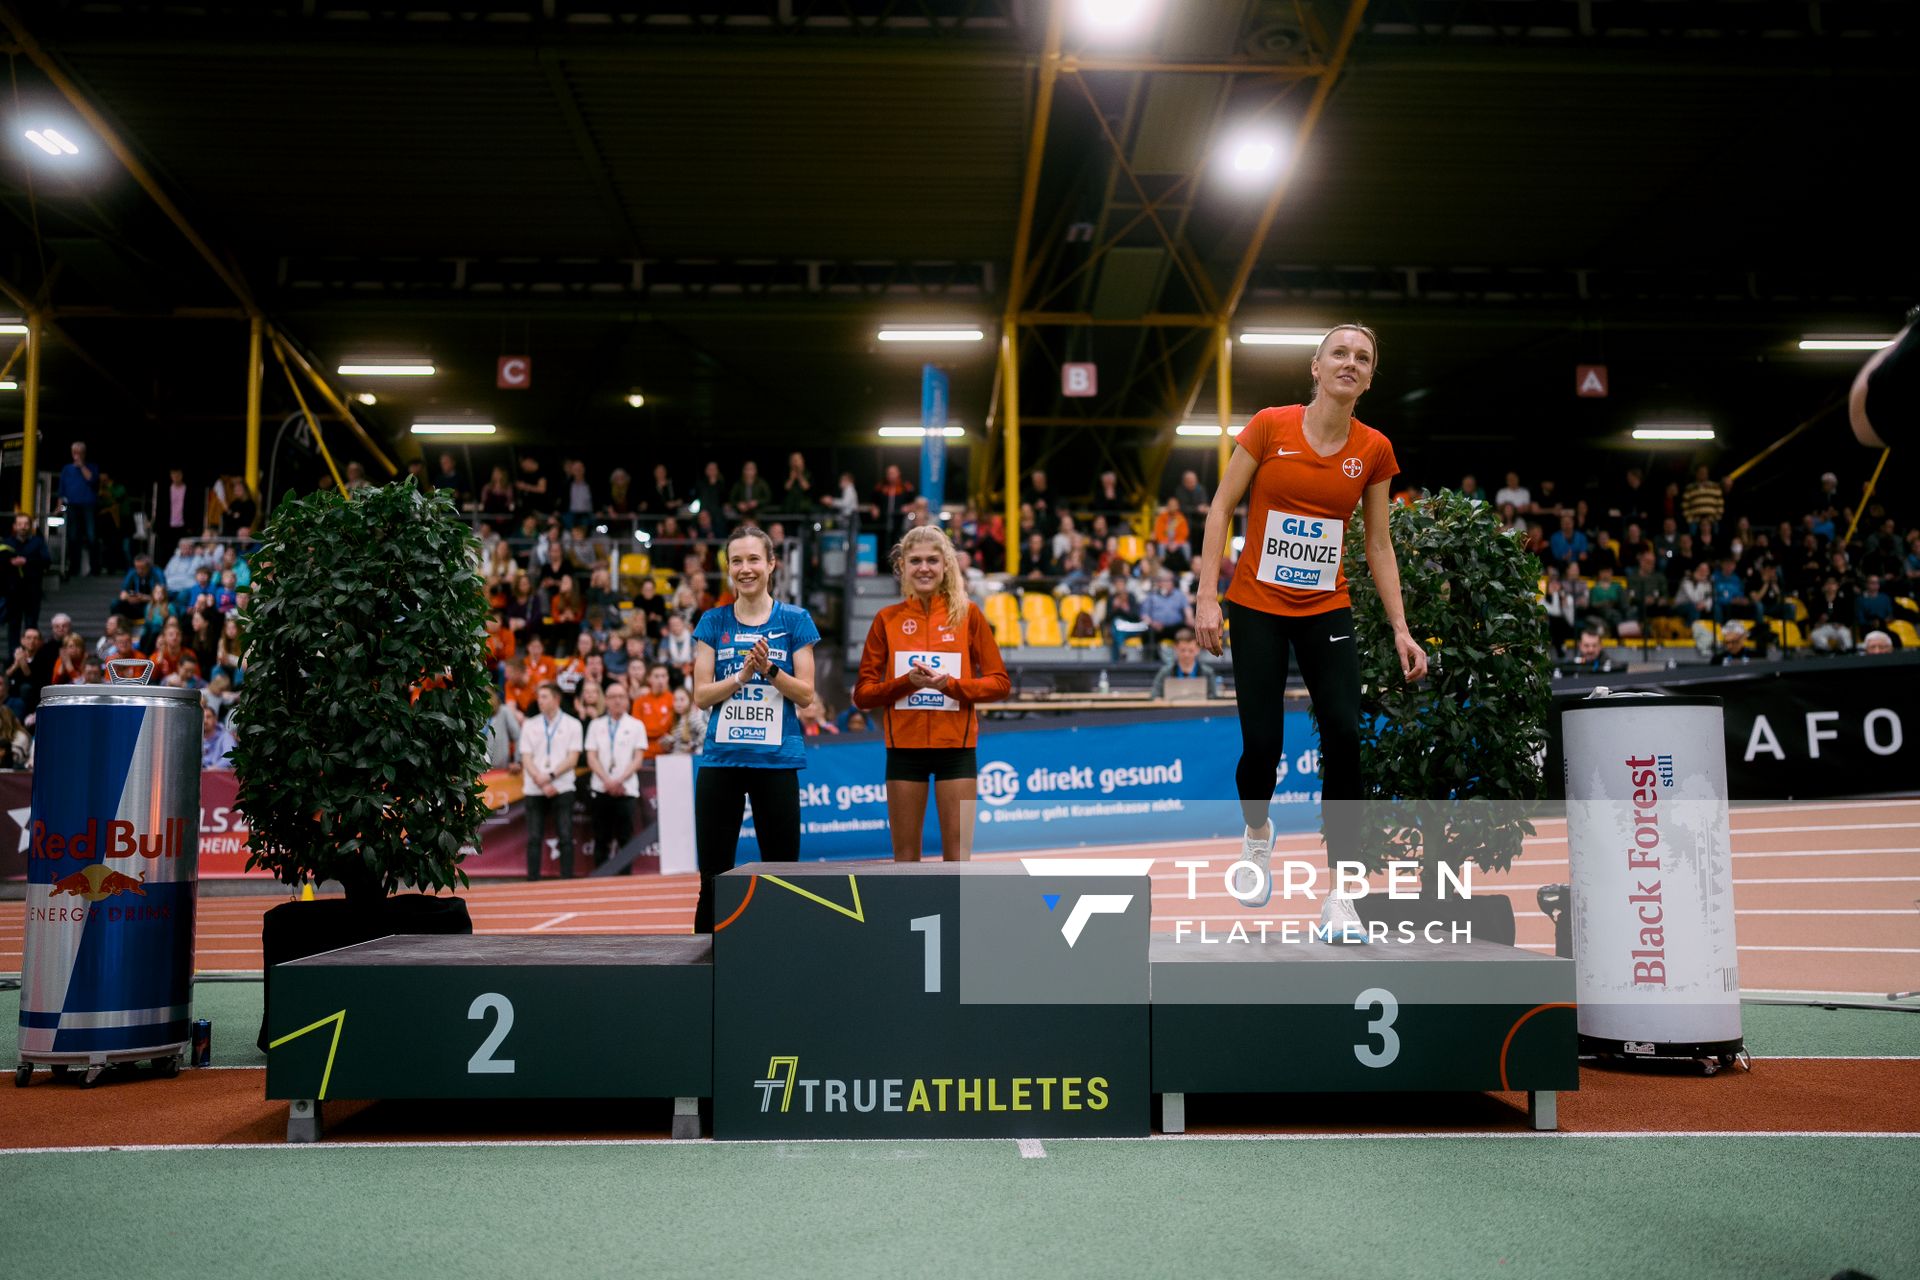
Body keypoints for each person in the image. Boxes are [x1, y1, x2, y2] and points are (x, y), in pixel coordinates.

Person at [1192, 323, 1428, 940]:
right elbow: (1220, 507)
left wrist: (1402, 627)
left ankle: (1342, 897)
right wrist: (1206, 598)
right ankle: (1257, 835)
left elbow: (1377, 541)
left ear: (1370, 378)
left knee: (1346, 739)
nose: (1350, 363)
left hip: (1327, 609)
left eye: (1363, 358)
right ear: (1316, 368)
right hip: (1257, 607)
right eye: (1340, 354)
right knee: (1262, 747)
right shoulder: (1269, 426)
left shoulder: (1374, 449)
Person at [689, 526, 819, 932]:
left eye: (753, 560)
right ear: (729, 569)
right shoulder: (712, 621)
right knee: (712, 876)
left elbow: (806, 695)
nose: (745, 569)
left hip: (776, 764)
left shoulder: (795, 619)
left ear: (771, 564)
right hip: (721, 762)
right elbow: (701, 695)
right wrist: (743, 675)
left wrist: (770, 670)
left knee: (782, 874)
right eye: (737, 561)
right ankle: (704, 967)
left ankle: (782, 957)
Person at [854, 526, 1010, 863]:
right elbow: (863, 695)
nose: (924, 567)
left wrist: (950, 685)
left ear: (945, 566)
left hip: (957, 750)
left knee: (957, 858)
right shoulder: (887, 619)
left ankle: (954, 918)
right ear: (903, 567)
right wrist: (907, 682)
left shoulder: (968, 615)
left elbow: (1000, 683)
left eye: (932, 560)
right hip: (904, 751)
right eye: (915, 561)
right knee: (906, 859)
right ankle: (914, 919)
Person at [517, 682, 584, 880]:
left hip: (562, 786)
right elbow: (526, 757)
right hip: (534, 787)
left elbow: (573, 758)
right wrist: (540, 778)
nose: (540, 700)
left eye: (544, 696)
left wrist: (551, 776)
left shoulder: (573, 724)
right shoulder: (530, 724)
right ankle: (533, 880)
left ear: (556, 699)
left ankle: (566, 879)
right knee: (534, 837)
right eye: (539, 697)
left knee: (565, 835)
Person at [585, 679, 649, 867]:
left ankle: (625, 882)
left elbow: (638, 759)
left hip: (626, 789)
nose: (617, 701)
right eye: (613, 697)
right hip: (600, 788)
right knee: (600, 837)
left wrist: (619, 780)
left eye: (621, 696)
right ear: (606, 700)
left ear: (627, 700)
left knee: (625, 838)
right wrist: (608, 781)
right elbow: (591, 757)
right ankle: (599, 881)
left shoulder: (636, 725)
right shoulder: (596, 725)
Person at [58, 441, 100, 576]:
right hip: (72, 505)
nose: (76, 455)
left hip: (89, 505)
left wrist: (82, 466)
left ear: (84, 453)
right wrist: (59, 505)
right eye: (74, 452)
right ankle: (74, 567)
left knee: (91, 536)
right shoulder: (66, 469)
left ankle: (95, 568)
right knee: (72, 536)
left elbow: (92, 480)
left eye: (79, 453)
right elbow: (61, 489)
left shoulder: (92, 467)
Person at [1151, 626, 1218, 698]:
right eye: (1183, 650)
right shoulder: (1165, 672)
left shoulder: (1208, 673)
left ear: (1198, 650)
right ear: (1175, 648)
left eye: (1191, 650)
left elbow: (1213, 697)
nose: (1186, 654)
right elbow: (1155, 695)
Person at [201, 703, 237, 770]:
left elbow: (230, 757)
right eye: (202, 717)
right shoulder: (193, 737)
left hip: (217, 776)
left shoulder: (226, 736)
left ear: (215, 719)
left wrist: (210, 770)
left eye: (208, 717)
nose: (205, 721)